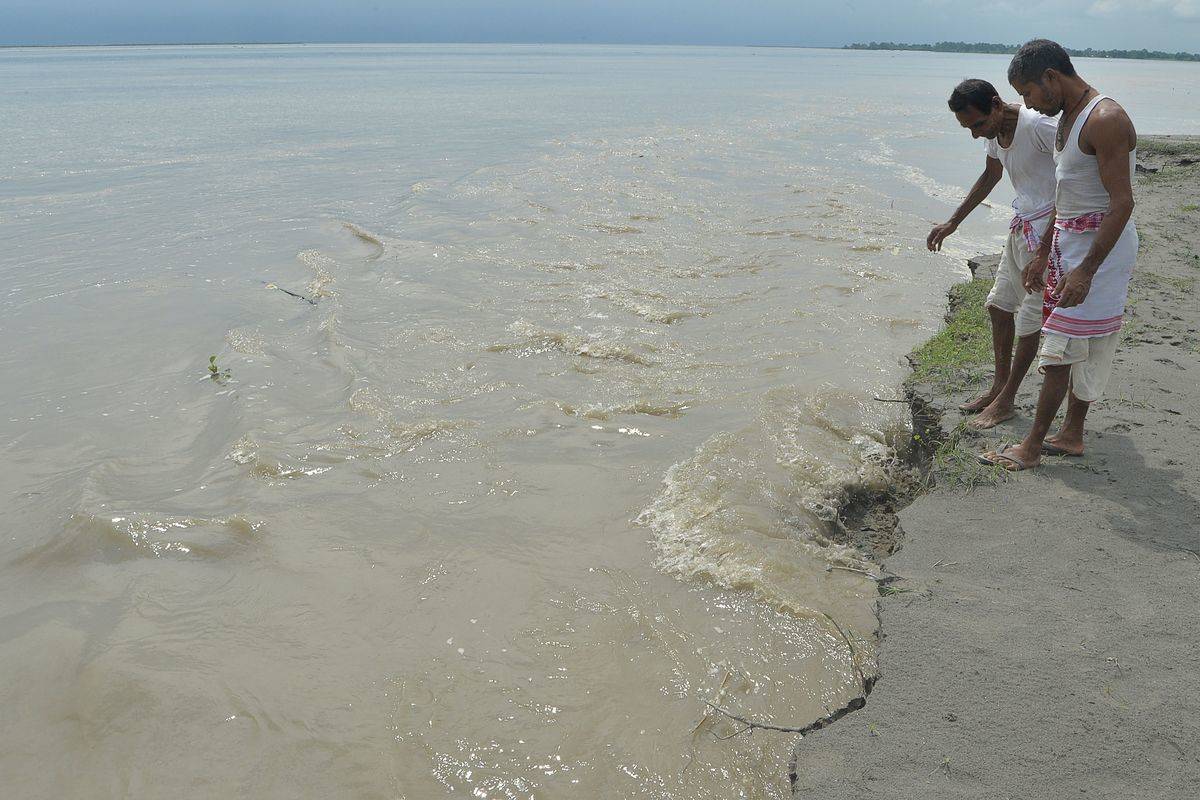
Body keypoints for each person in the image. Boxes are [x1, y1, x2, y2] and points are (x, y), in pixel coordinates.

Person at [980, 39, 1138, 471]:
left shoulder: (1104, 119)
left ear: (1051, 77)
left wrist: (1086, 270)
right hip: (1068, 242)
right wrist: (1043, 253)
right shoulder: (1067, 118)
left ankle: (1031, 446)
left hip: (1099, 252)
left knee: (1062, 344)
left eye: (1028, 92)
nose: (1027, 103)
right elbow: (1065, 198)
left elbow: (1122, 202)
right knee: (1084, 340)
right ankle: (1071, 434)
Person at [928, 79, 1058, 429]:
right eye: (968, 128)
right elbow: (990, 175)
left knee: (1030, 322)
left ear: (997, 104)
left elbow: (1072, 181)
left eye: (978, 124)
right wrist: (953, 221)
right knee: (999, 306)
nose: (975, 135)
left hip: (1050, 234)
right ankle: (999, 388)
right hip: (1022, 226)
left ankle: (1007, 401)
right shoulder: (994, 135)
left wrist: (1045, 251)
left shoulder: (1040, 126)